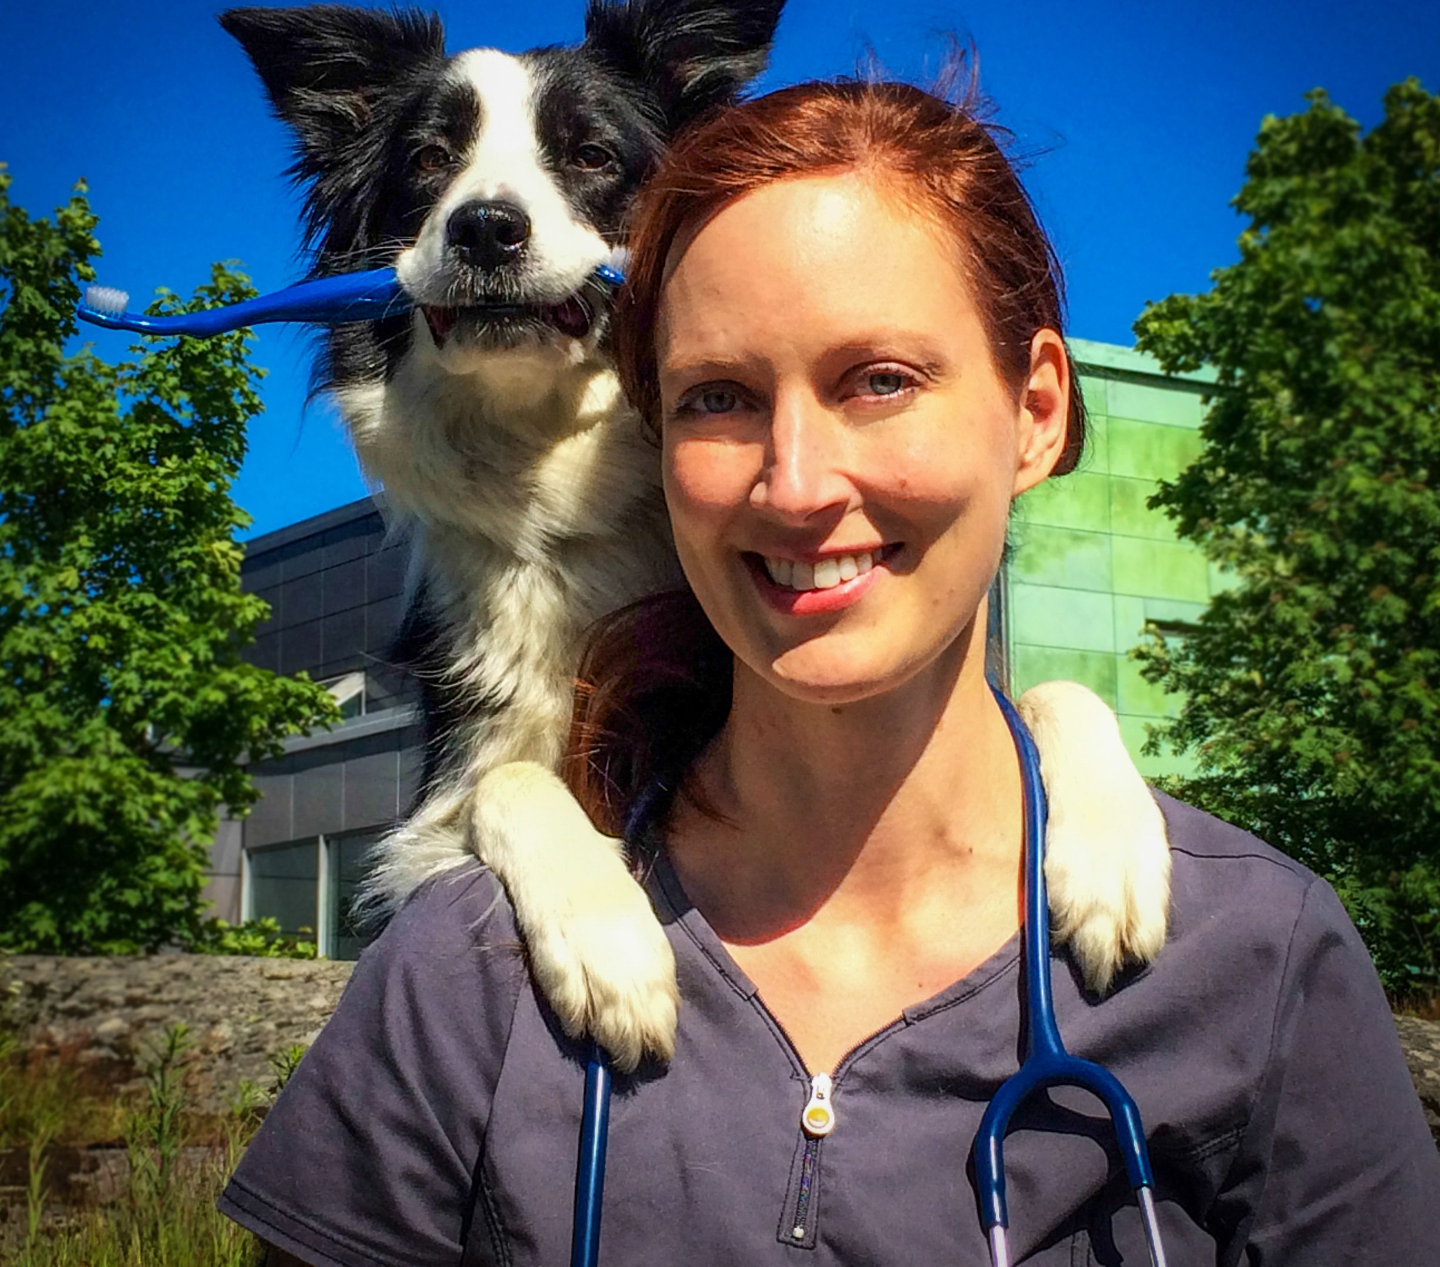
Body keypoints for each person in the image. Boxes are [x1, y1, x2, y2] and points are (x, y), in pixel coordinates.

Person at [221, 73, 1439, 1266]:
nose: (797, 486)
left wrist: (1069, 729)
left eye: (881, 380)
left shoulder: (1259, 964)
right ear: (655, 419)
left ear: (1038, 412)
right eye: (718, 396)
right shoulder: (460, 974)